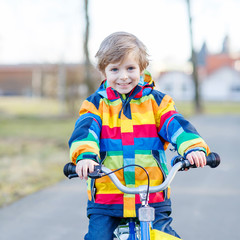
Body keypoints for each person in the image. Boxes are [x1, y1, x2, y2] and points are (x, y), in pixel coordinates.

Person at [68, 32, 210, 240]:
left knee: (165, 237)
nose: (123, 76)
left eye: (130, 68)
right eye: (115, 69)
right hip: (108, 199)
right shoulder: (95, 105)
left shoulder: (156, 102)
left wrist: (193, 147)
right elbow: (85, 132)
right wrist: (85, 157)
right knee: (98, 237)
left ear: (142, 69)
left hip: (151, 194)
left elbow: (176, 125)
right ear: (103, 72)